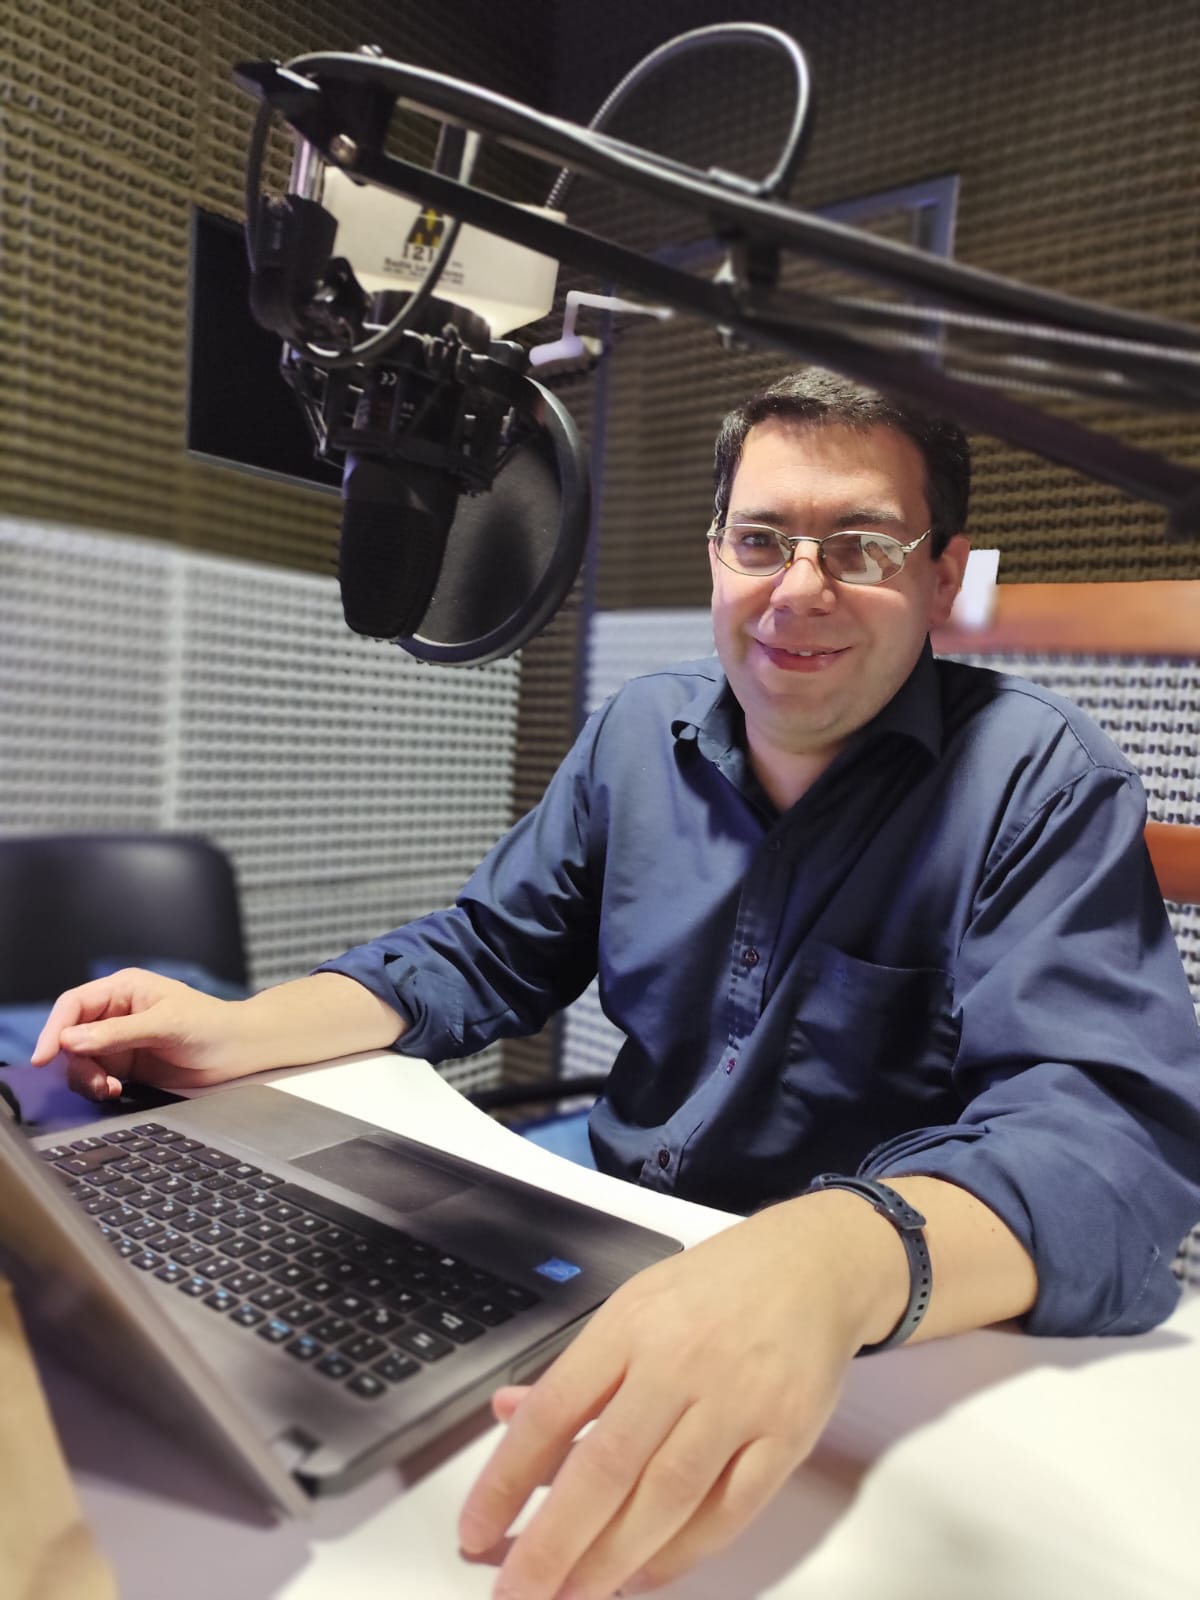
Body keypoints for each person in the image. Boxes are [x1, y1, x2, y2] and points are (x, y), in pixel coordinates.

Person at [33, 370, 1200, 1600]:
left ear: (944, 575)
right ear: (717, 553)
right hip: (615, 1260)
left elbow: (1107, 1143)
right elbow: (485, 947)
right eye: (762, 539)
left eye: (862, 546)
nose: (799, 588)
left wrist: (829, 1258)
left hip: (877, 1326)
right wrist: (239, 1028)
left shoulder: (1038, 781)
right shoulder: (637, 734)